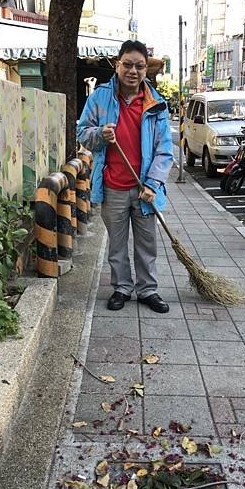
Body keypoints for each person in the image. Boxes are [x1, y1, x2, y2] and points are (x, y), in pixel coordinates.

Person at [77, 40, 173, 313]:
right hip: (113, 187)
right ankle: (122, 288)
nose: (133, 71)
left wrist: (153, 184)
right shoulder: (100, 98)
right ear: (117, 65)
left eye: (139, 66)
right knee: (117, 244)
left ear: (146, 69)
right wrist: (100, 135)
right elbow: (82, 132)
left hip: (144, 189)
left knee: (147, 244)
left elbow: (164, 151)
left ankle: (147, 290)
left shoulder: (157, 104)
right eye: (127, 64)